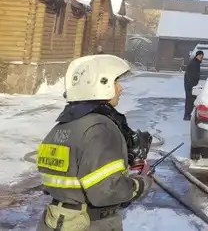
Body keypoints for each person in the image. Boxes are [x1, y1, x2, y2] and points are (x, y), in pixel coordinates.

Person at [35, 54, 153, 231]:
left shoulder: (63, 125)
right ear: (101, 84)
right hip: (92, 224)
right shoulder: (101, 129)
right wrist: (141, 182)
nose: (120, 89)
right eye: (115, 82)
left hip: (56, 221)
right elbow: (106, 191)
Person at [183, 50, 203, 120]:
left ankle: (187, 115)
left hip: (191, 84)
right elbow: (189, 74)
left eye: (202, 56)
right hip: (189, 84)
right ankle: (186, 116)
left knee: (190, 100)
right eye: (200, 55)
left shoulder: (196, 62)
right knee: (190, 100)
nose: (201, 57)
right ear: (197, 56)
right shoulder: (193, 63)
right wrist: (192, 84)